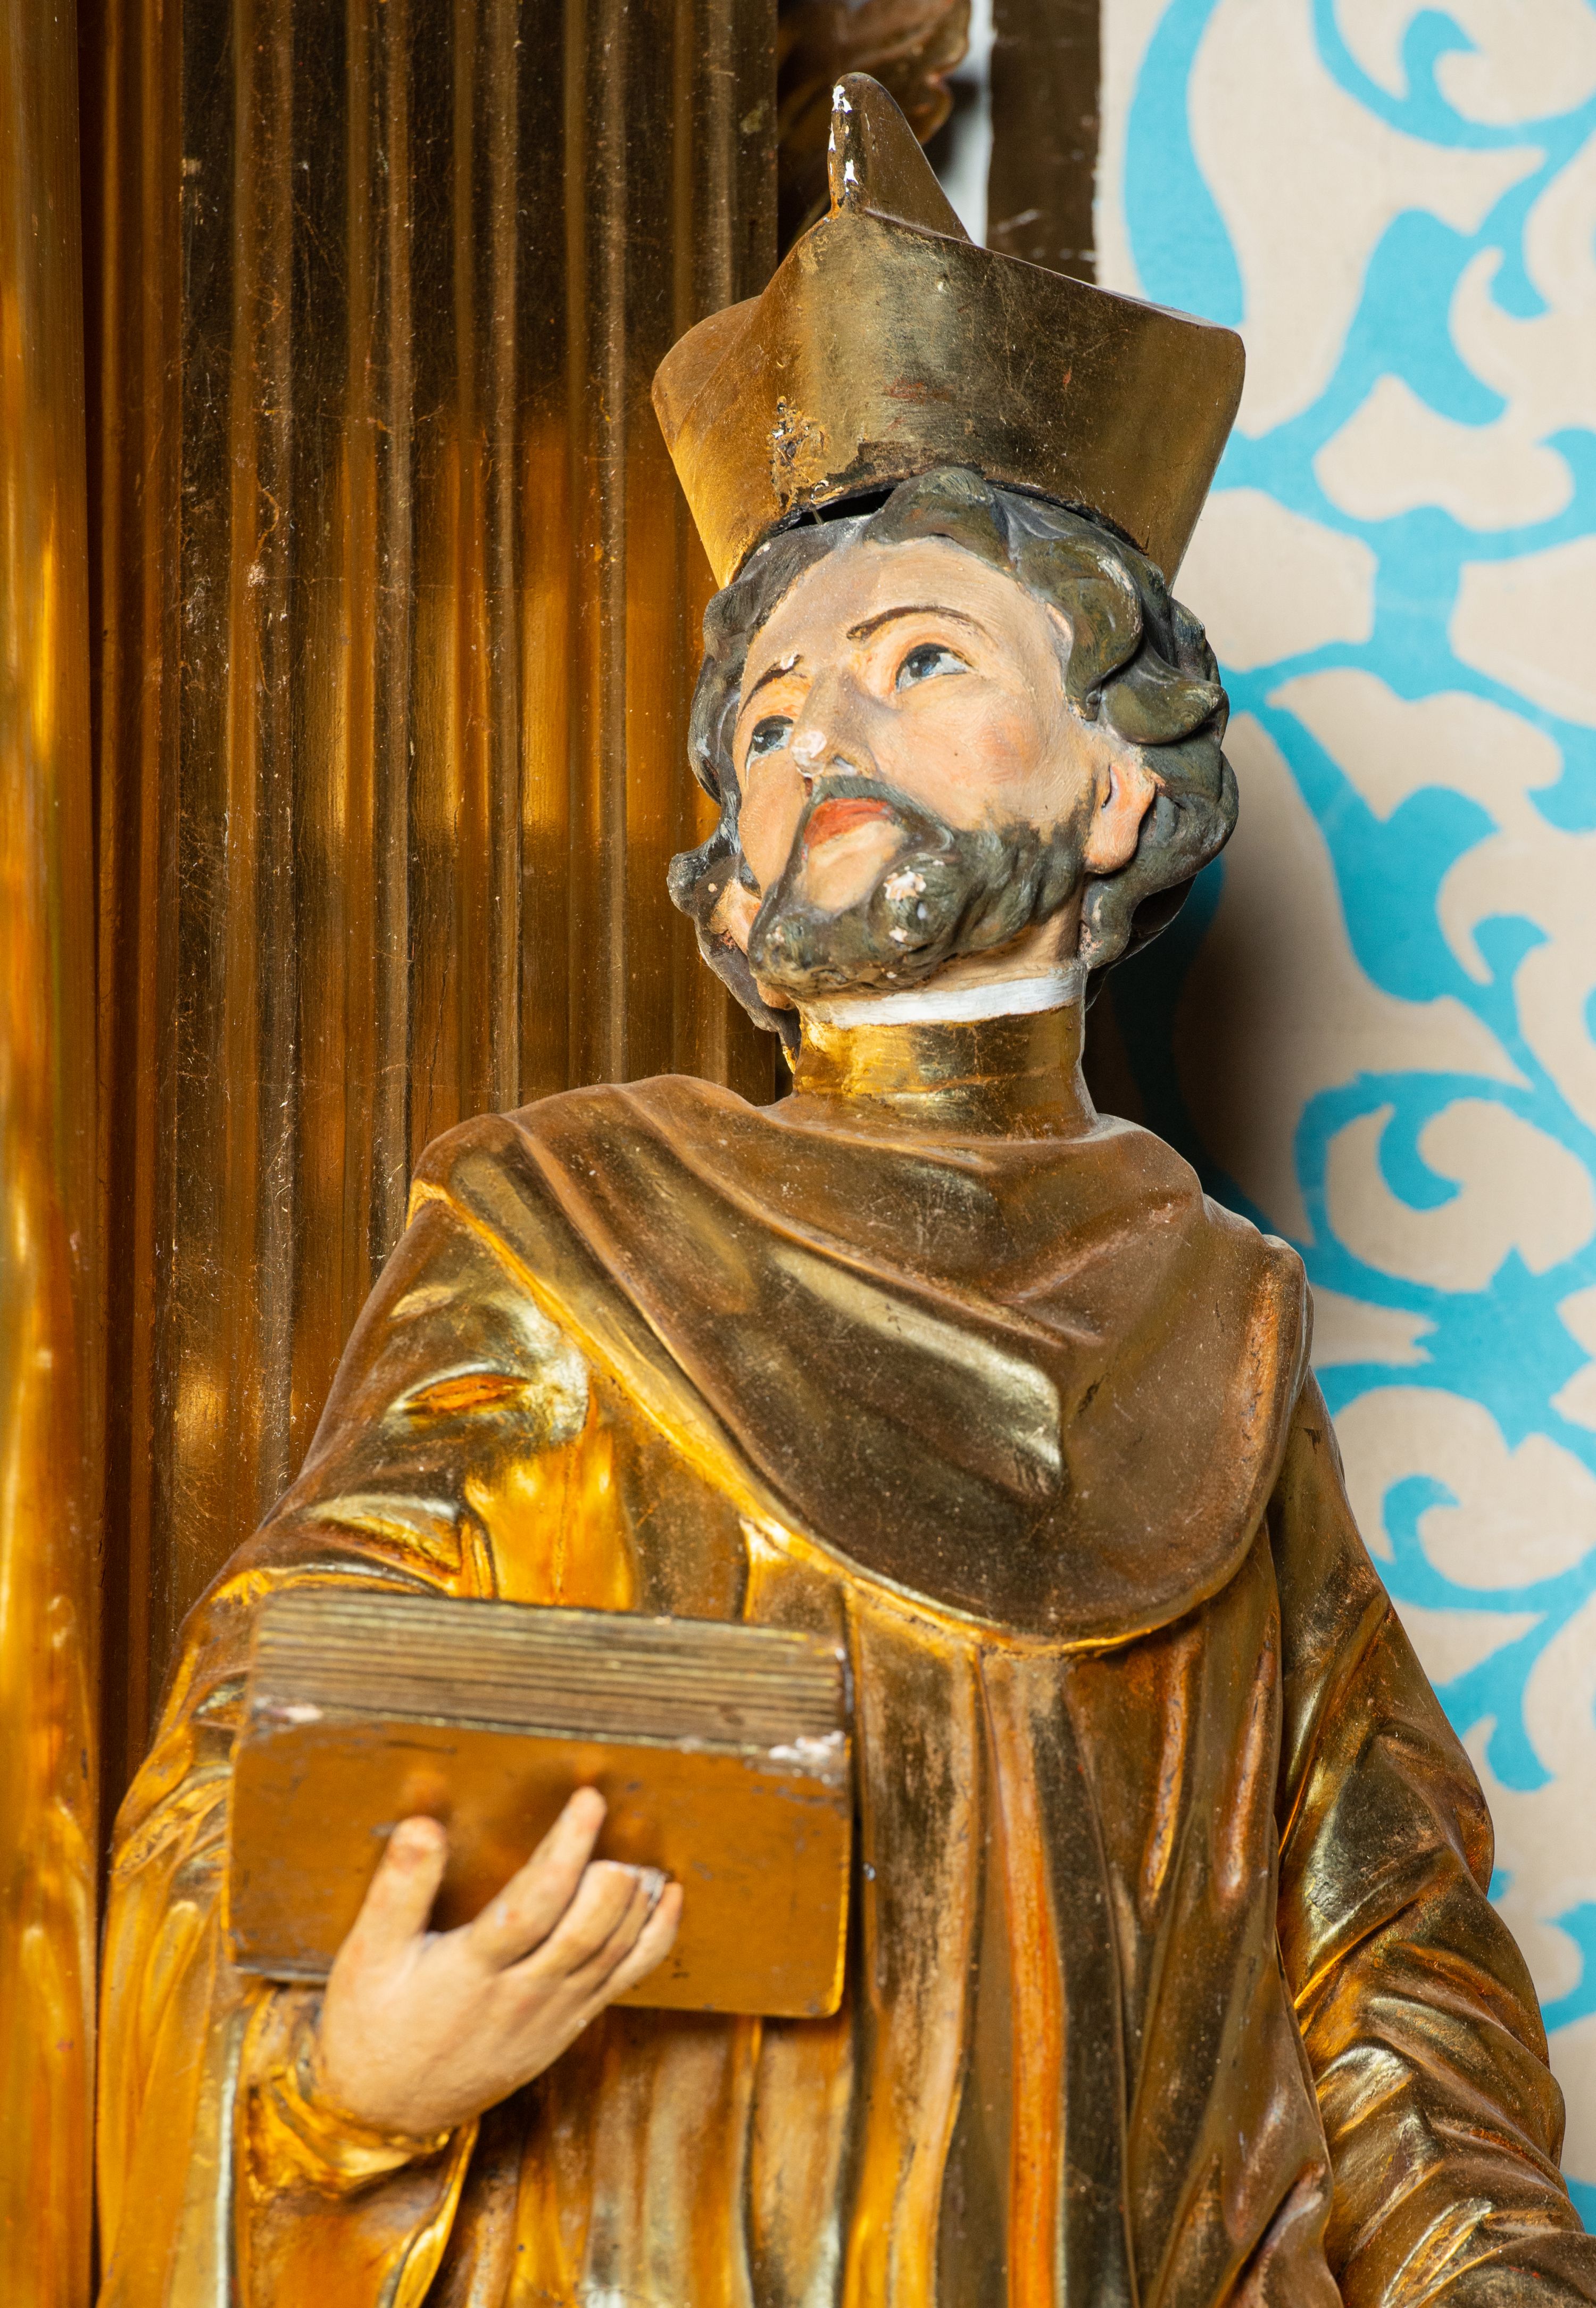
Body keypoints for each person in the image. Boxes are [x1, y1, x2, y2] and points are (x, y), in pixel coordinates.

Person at [97, 76, 1595, 2308]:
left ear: (1118, 784)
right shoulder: (565, 1233)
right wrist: (346, 2083)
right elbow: (246, 1779)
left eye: (922, 663)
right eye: (771, 719)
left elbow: (1387, 1964)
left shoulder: (1223, 1327)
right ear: (731, 861)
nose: (825, 749)